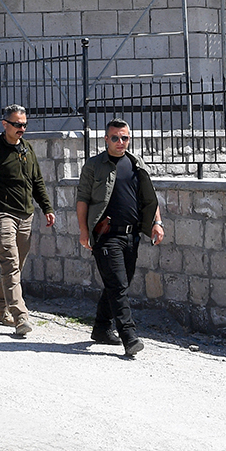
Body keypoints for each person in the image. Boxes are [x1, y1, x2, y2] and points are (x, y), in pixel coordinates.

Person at [76, 121, 163, 359]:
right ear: (105, 139)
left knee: (118, 284)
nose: (120, 142)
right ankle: (129, 336)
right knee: (117, 285)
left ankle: (102, 328)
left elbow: (149, 197)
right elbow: (82, 199)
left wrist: (157, 222)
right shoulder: (94, 165)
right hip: (105, 235)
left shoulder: (135, 164)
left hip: (131, 235)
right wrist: (84, 231)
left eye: (124, 138)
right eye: (114, 138)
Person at [0, 104, 54, 339]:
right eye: (17, 124)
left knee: (15, 266)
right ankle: (20, 316)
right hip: (3, 214)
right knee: (10, 264)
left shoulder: (27, 149)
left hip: (26, 214)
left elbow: (37, 181)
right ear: (4, 124)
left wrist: (46, 207)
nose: (21, 129)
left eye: (24, 124)